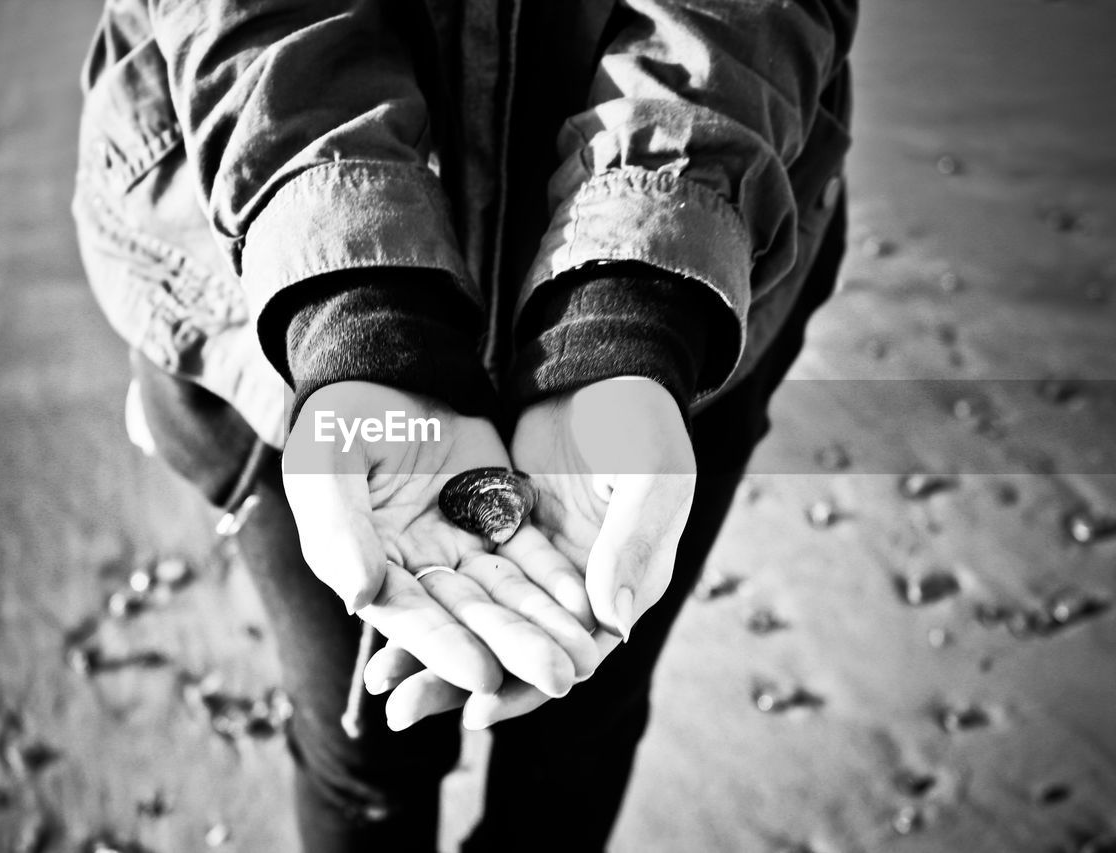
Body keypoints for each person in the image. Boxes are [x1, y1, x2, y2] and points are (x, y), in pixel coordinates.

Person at [72, 1, 856, 850]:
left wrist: (628, 314)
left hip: (681, 305)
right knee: (363, 745)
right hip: (271, 291)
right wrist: (354, 314)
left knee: (580, 718)